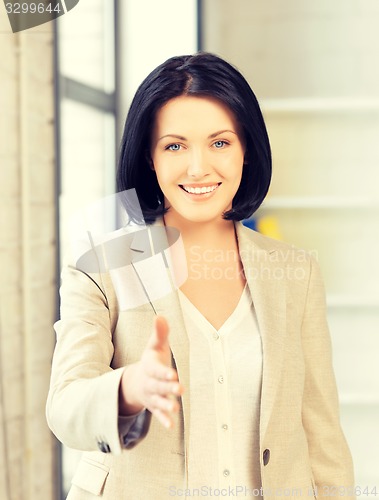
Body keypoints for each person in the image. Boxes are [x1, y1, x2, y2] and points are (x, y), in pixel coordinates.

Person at [46, 52, 355, 499]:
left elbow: (322, 434)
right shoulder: (101, 267)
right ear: (150, 158)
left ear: (246, 150)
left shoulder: (295, 273)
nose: (198, 168)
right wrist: (129, 387)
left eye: (220, 142)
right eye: (174, 145)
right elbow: (65, 407)